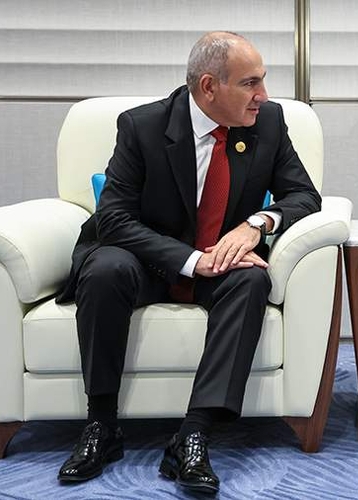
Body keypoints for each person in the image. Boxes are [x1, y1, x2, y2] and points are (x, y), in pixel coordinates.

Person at [54, 31, 322, 494]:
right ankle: (102, 425)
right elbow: (113, 218)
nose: (263, 95)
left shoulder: (268, 122)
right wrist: (191, 260)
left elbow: (303, 195)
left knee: (251, 281)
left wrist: (258, 224)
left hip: (220, 259)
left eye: (262, 81)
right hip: (145, 259)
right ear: (209, 87)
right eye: (250, 83)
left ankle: (193, 434)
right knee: (105, 269)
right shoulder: (143, 126)